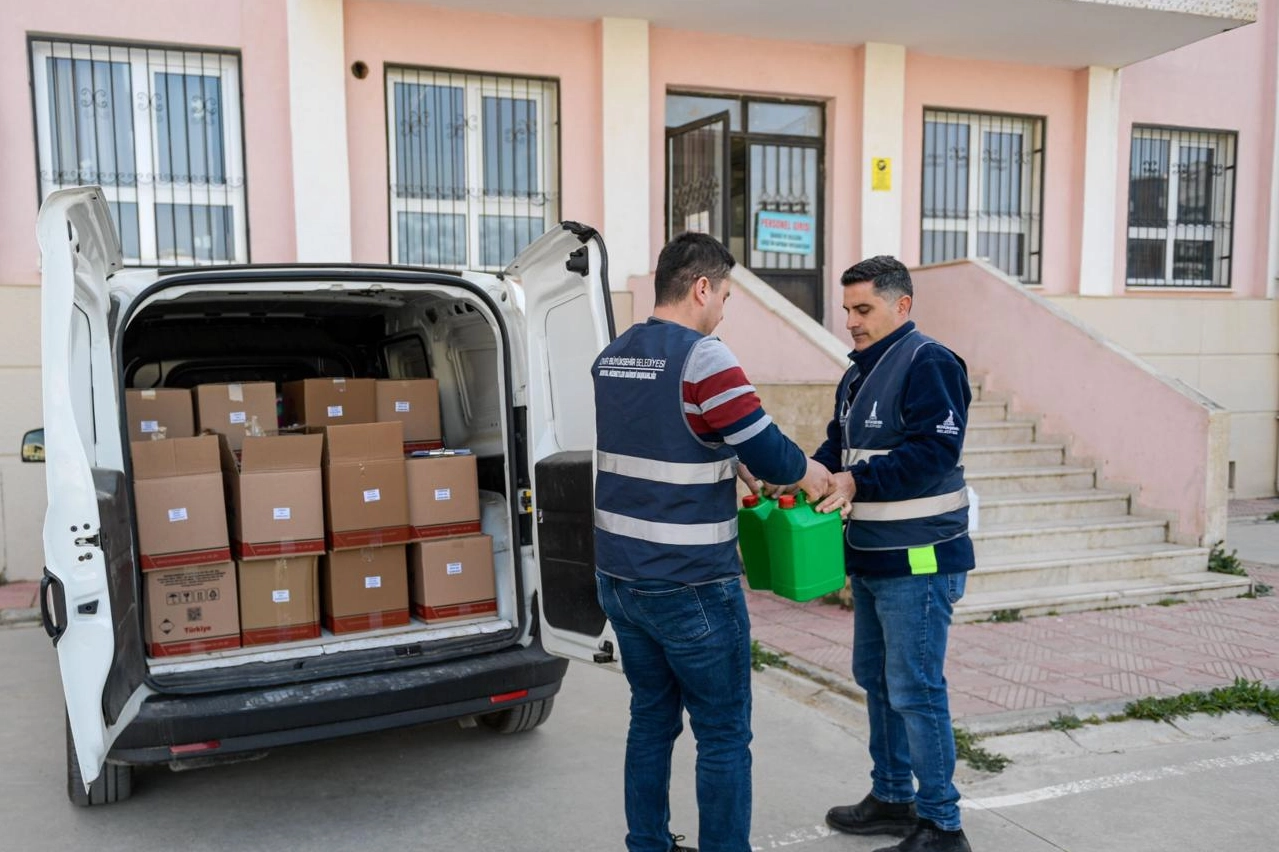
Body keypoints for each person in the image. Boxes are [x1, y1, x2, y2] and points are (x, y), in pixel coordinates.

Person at [591, 232, 837, 852]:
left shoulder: (614, 355)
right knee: (724, 734)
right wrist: (811, 473)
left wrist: (727, 458)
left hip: (620, 577)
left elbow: (667, 434)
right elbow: (769, 448)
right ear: (702, 287)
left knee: (650, 718)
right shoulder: (705, 356)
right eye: (725, 294)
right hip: (691, 582)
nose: (724, 308)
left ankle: (646, 842)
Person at [810, 256, 975, 852]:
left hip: (922, 558)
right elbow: (840, 444)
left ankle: (941, 825)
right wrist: (806, 473)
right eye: (847, 308)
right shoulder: (857, 374)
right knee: (875, 677)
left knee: (915, 687)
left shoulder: (928, 361)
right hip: (875, 555)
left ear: (901, 306)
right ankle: (893, 797)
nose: (850, 320)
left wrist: (857, 484)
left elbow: (933, 452)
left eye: (863, 309)